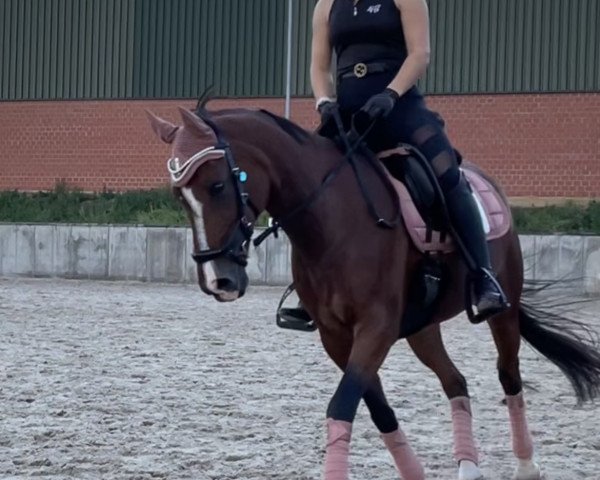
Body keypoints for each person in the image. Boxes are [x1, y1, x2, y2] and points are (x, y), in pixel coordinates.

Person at [306, 0, 508, 321]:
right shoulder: (327, 5)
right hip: (348, 116)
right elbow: (320, 66)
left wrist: (390, 94)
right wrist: (324, 102)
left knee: (447, 175)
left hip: (399, 109)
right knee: (310, 183)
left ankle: (483, 278)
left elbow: (419, 54)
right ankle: (308, 285)